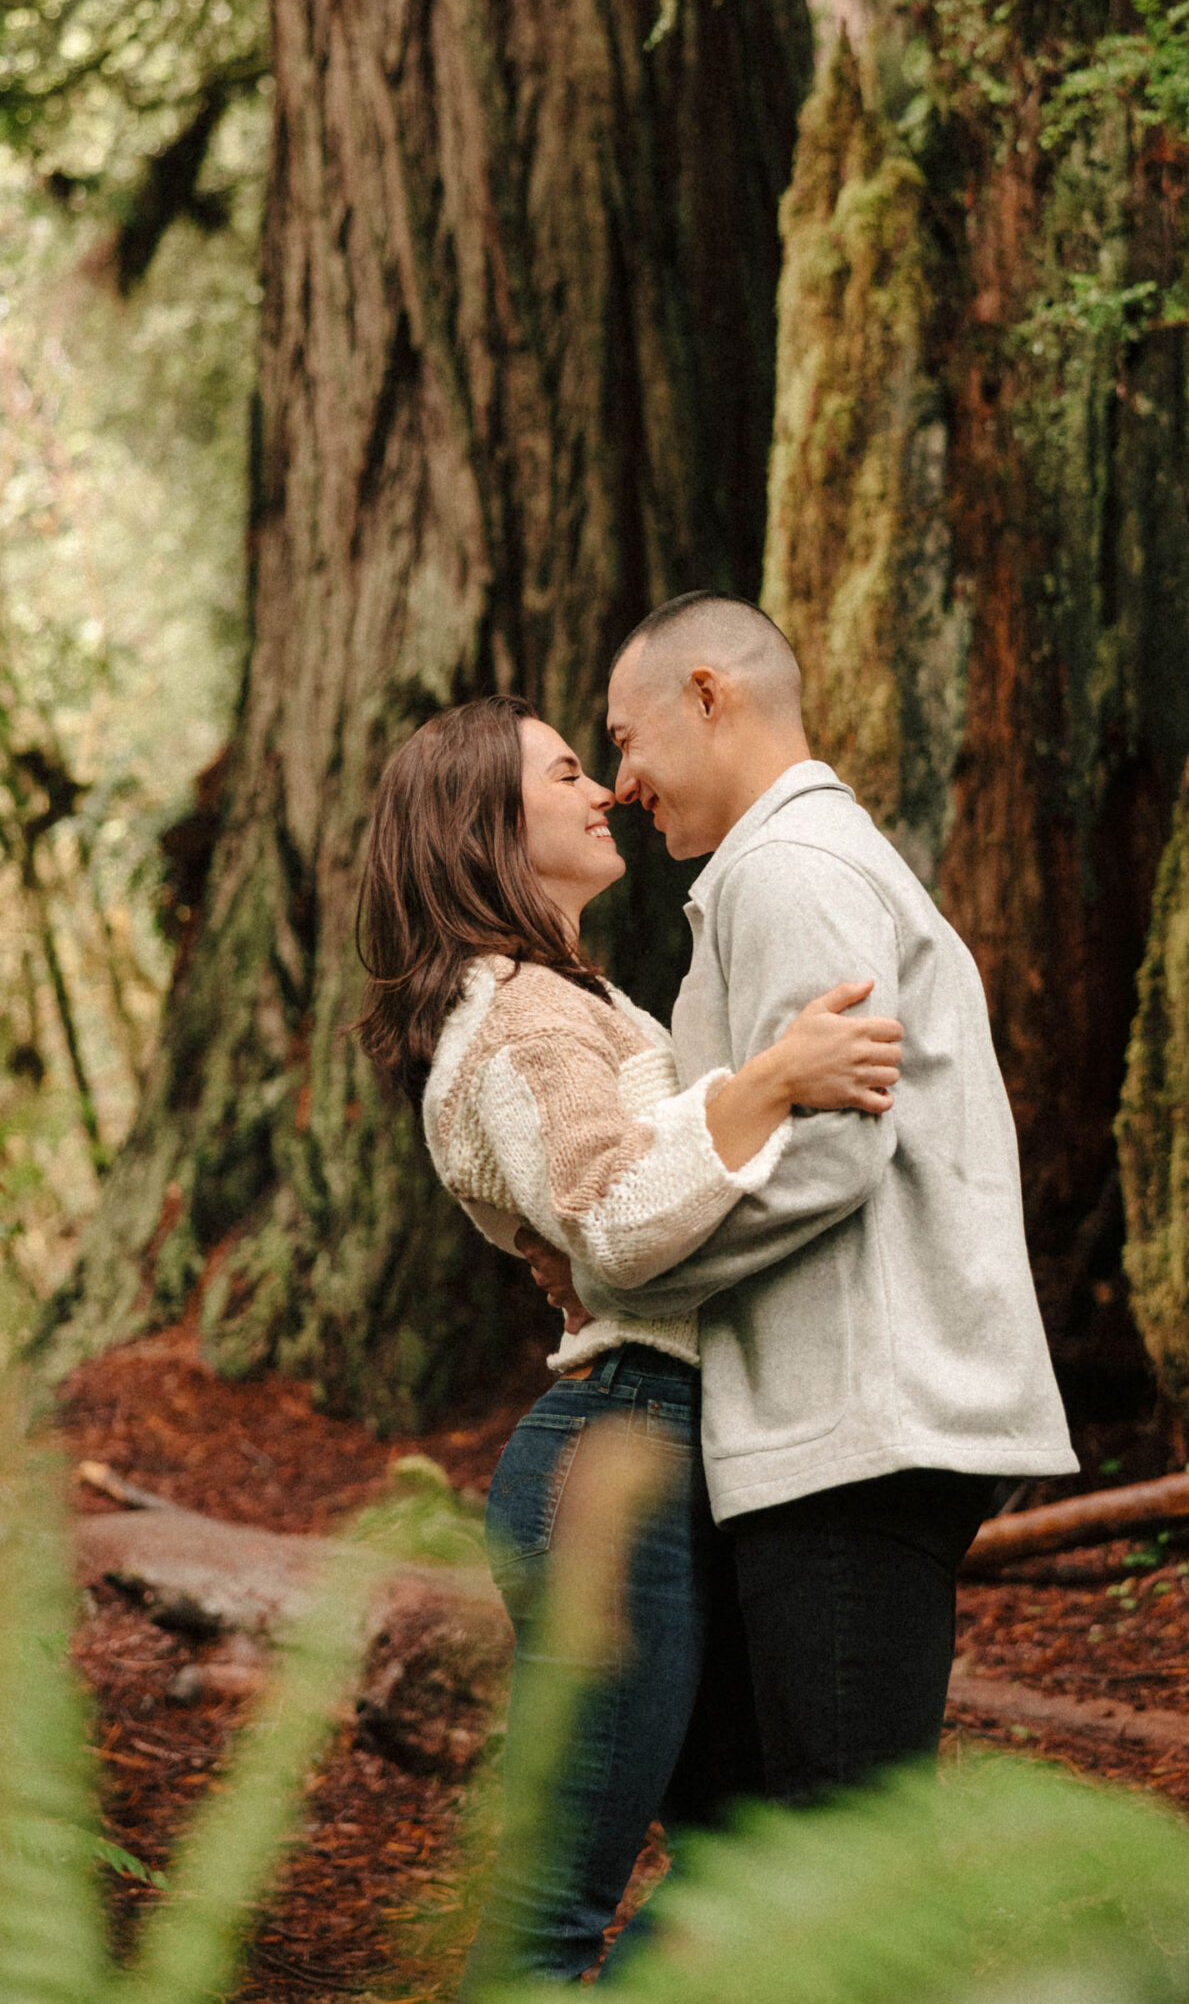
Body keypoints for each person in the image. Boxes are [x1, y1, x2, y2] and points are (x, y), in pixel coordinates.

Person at [353, 693, 902, 1986]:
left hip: (654, 1452)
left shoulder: (559, 998)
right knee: (556, 1908)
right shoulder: (523, 1020)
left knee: (741, 1858)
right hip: (614, 1461)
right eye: (562, 771)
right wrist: (773, 1077)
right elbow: (610, 1213)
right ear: (485, 821)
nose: (601, 789)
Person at [572, 590, 1078, 1807]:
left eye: (625, 739)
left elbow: (831, 1155)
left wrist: (622, 1265)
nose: (618, 783)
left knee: (836, 1842)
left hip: (858, 1429)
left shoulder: (789, 869)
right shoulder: (799, 863)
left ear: (710, 694)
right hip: (845, 1421)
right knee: (774, 1824)